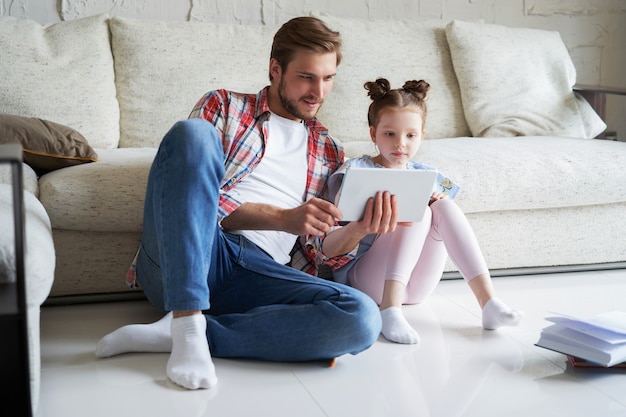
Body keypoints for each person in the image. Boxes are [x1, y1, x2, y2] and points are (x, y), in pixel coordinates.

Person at [95, 16, 382, 390]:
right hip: (196, 253)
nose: (318, 92)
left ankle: (188, 333)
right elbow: (192, 199)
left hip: (258, 274)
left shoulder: (330, 149)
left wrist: (358, 230)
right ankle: (186, 317)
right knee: (191, 134)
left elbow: (319, 253)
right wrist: (284, 218)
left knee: (362, 317)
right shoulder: (224, 107)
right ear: (275, 69)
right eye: (306, 77)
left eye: (328, 78)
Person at [320, 78, 523, 345]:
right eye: (389, 134)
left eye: (411, 135)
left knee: (443, 206)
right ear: (373, 134)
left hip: (414, 287)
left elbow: (446, 221)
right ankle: (389, 309)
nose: (400, 144)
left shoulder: (426, 176)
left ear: (422, 135)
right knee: (417, 211)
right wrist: (363, 220)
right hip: (366, 281)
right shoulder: (356, 170)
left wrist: (434, 201)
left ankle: (489, 303)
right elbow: (328, 244)